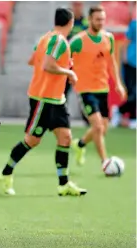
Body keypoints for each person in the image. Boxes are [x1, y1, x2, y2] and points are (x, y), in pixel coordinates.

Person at [0, 8, 87, 197]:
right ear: (70, 23)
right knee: (32, 140)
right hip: (43, 98)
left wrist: (56, 67)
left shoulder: (45, 38)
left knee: (65, 138)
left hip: (56, 98)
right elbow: (47, 64)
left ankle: (63, 183)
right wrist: (68, 71)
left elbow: (33, 61)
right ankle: (5, 173)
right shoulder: (58, 41)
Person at [70, 6, 127, 166]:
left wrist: (118, 84)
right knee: (97, 126)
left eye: (103, 19)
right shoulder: (78, 41)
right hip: (85, 89)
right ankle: (105, 162)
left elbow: (112, 63)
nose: (101, 22)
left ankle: (80, 144)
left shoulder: (108, 38)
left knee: (103, 128)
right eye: (97, 19)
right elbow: (64, 57)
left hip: (103, 89)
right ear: (89, 20)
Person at [64, 1, 89, 125]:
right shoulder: (66, 21)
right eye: (74, 4)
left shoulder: (86, 23)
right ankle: (62, 117)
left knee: (84, 92)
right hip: (67, 64)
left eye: (78, 4)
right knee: (63, 92)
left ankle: (88, 117)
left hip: (81, 64)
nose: (76, 7)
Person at [111, 8, 136, 129]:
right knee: (133, 93)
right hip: (131, 63)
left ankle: (131, 118)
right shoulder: (134, 24)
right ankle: (119, 111)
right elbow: (125, 42)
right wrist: (125, 60)